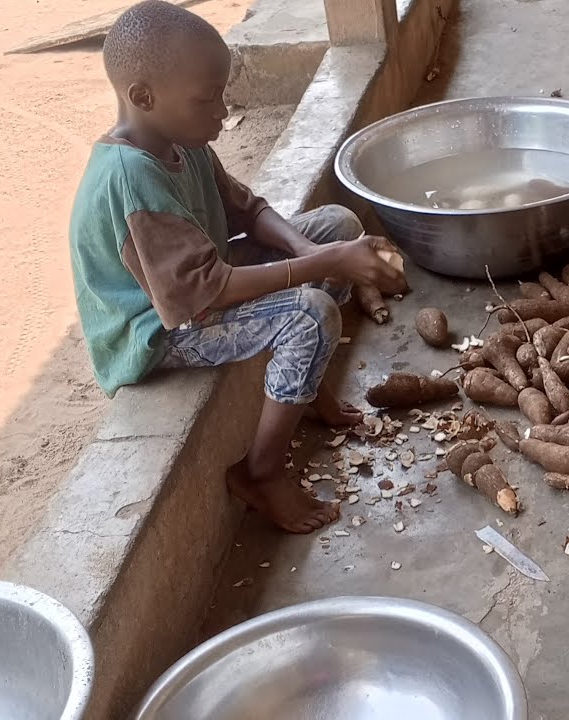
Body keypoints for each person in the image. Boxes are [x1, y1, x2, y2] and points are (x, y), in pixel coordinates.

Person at [69, 1, 404, 533]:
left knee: (338, 223)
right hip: (158, 328)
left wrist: (314, 251)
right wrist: (324, 266)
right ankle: (260, 473)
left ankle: (305, 390)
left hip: (203, 285)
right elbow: (206, 291)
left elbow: (247, 210)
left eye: (222, 95)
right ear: (143, 98)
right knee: (310, 313)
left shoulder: (182, 138)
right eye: (208, 99)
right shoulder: (131, 178)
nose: (222, 111)